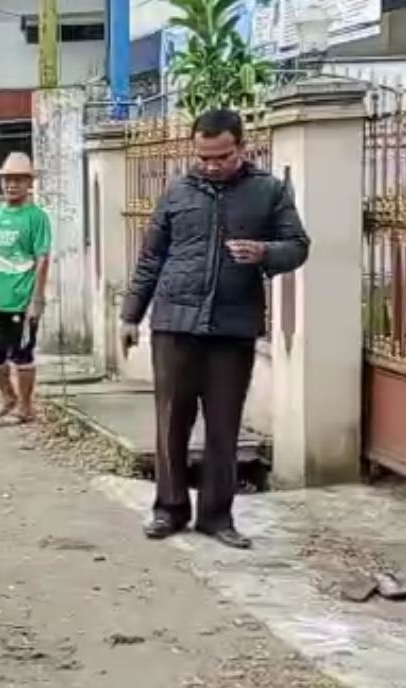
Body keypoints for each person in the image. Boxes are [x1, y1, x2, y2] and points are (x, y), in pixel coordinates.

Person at [120, 109, 310, 550]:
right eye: (203, 156)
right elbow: (150, 258)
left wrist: (265, 252)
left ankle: (216, 516)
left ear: (241, 147)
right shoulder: (176, 192)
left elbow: (298, 246)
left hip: (233, 327)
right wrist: (131, 315)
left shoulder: (268, 192)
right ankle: (168, 509)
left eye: (220, 156)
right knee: (171, 421)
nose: (210, 164)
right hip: (174, 323)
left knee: (224, 425)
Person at [0, 152, 52, 426]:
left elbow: (43, 259)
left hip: (21, 300)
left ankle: (25, 408)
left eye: (18, 180)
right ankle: (8, 398)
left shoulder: (37, 217)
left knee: (22, 355)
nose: (11, 185)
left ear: (28, 183)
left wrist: (37, 299)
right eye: (7, 180)